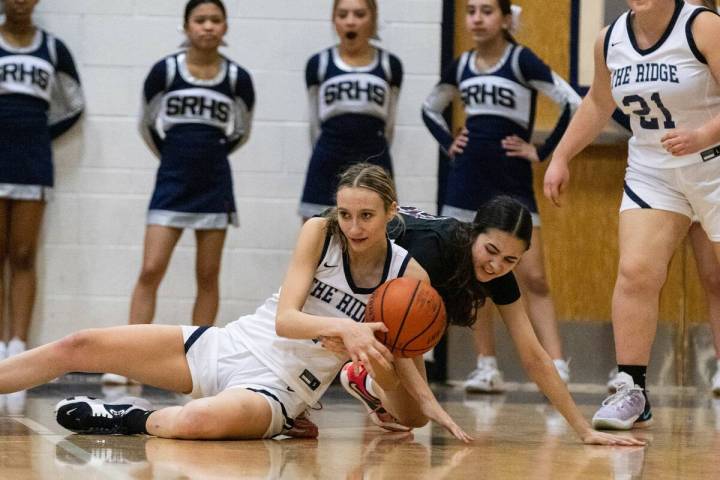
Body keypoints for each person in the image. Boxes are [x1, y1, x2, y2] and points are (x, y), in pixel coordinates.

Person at [0, 163, 464, 442]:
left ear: (391, 212)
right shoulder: (321, 234)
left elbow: (400, 382)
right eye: (346, 214)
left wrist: (375, 360)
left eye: (366, 216)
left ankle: (128, 417)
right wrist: (344, 328)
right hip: (234, 343)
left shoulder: (408, 278)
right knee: (80, 344)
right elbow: (285, 320)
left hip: (283, 387)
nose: (354, 226)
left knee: (195, 422)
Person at [322, 197, 644, 446]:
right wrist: (431, 401)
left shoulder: (500, 276)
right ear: (473, 233)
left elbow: (534, 356)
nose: (495, 265)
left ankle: (366, 382)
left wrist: (584, 429)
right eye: (490, 250)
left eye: (510, 260)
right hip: (344, 267)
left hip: (385, 311)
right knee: (419, 401)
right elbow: (398, 330)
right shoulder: (435, 248)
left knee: (414, 418)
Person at [544, 0, 720, 429]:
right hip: (653, 170)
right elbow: (598, 103)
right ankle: (632, 389)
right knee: (636, 271)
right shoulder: (610, 39)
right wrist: (561, 155)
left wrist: (702, 134)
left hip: (714, 164)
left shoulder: (704, 26)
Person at [421, 0, 580, 392]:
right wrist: (449, 142)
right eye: (471, 10)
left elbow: (573, 102)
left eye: (487, 10)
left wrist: (541, 151)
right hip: (466, 181)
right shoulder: (460, 66)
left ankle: (556, 364)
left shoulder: (522, 60)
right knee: (474, 274)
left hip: (512, 183)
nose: (477, 18)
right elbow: (430, 108)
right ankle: (486, 365)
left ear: (506, 19)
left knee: (534, 276)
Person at [102, 0, 255, 385]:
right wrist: (175, 155)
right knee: (151, 268)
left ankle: (199, 363)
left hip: (215, 183)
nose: (208, 27)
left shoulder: (238, 78)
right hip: (171, 182)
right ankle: (128, 360)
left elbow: (240, 131)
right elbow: (147, 125)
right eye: (200, 20)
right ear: (186, 26)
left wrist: (206, 155)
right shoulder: (165, 72)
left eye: (215, 20)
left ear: (225, 27)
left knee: (207, 273)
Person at [0, 0, 83, 369]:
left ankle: (18, 344)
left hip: (33, 162)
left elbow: (73, 104)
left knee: (23, 254)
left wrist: (36, 133)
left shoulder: (53, 48)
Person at [298, 0, 402, 219]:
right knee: (316, 238)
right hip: (327, 157)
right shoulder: (319, 64)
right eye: (343, 15)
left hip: (374, 156)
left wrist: (379, 150)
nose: (350, 22)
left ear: (372, 19)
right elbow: (314, 123)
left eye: (359, 14)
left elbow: (390, 124)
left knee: (379, 234)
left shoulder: (390, 65)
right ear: (334, 20)